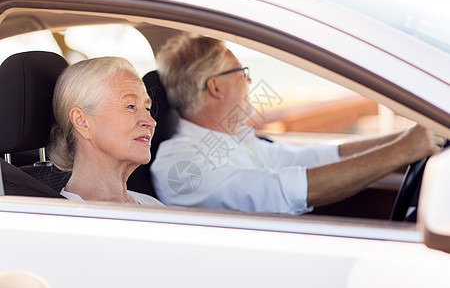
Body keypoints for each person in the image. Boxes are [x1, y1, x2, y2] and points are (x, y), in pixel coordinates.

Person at [150, 34, 445, 214]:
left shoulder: (233, 138)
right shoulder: (182, 166)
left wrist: (404, 139)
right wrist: (401, 151)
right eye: (242, 72)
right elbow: (287, 189)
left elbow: (310, 158)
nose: (250, 80)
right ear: (215, 87)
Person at [49, 57, 163, 206]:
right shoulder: (64, 222)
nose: (150, 122)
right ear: (82, 121)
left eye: (147, 108)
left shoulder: (152, 204)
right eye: (130, 106)